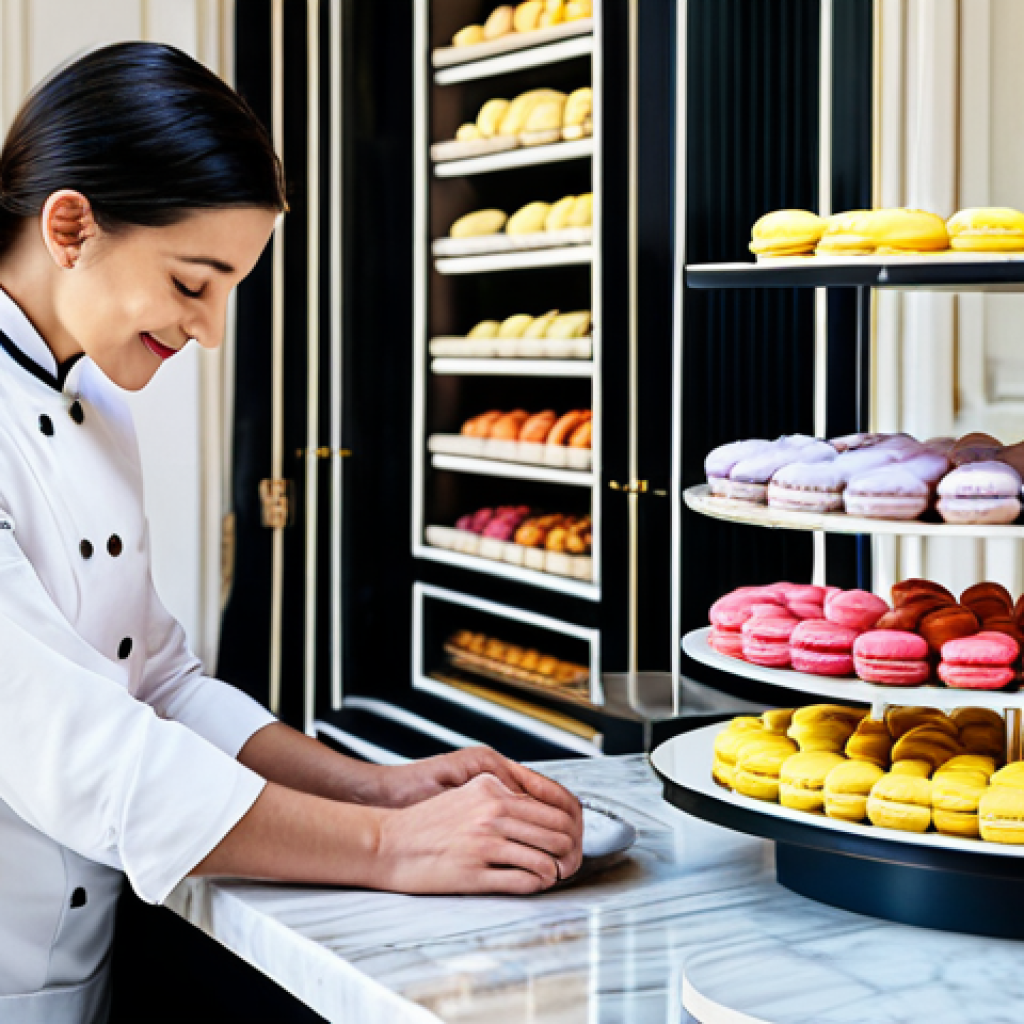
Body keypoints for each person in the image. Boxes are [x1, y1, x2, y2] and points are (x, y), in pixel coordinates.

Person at [0, 41, 582, 1023]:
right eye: (193, 282)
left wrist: (380, 791)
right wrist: (394, 850)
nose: (214, 329)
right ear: (71, 226)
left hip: (73, 975)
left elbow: (161, 683)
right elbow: (77, 744)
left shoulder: (97, 396)